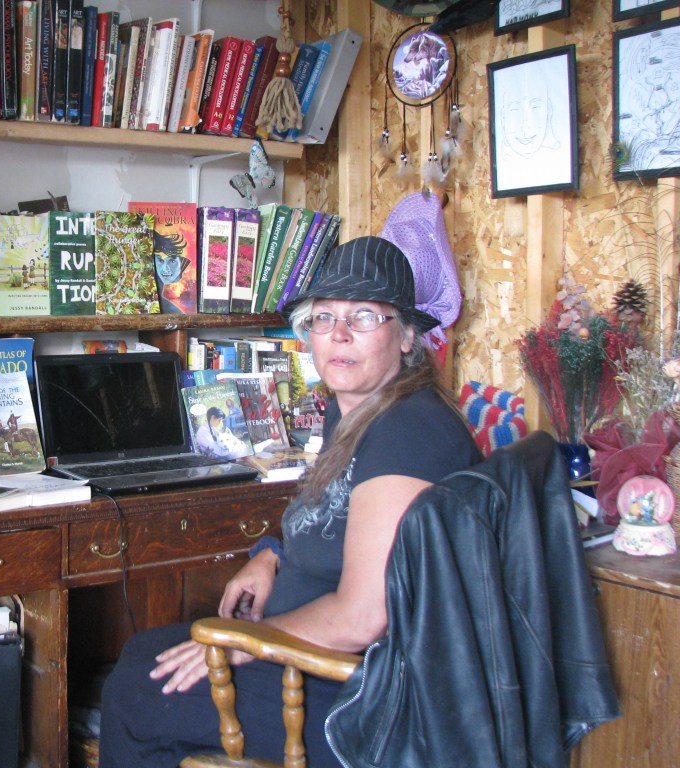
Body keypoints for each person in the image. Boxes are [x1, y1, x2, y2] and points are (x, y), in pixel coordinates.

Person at [98, 236, 481, 766]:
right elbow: (326, 516)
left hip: (366, 697)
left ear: (408, 336)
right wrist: (271, 555)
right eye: (324, 318)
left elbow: (362, 619)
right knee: (143, 656)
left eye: (365, 316)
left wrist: (244, 640)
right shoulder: (353, 407)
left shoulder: (408, 435)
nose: (339, 335)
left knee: (140, 694)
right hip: (311, 661)